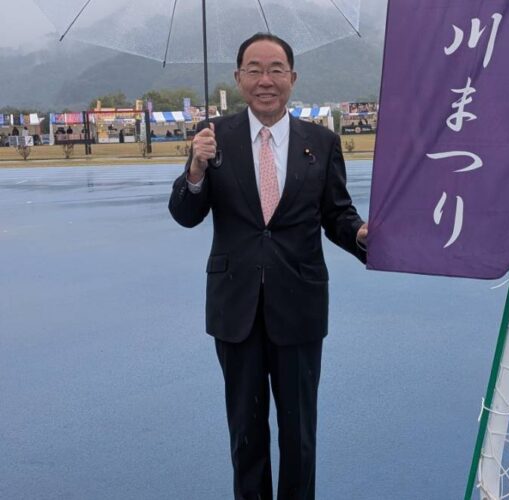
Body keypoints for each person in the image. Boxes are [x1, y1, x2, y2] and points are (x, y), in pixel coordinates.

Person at [168, 33, 368, 500]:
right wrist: (195, 171)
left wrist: (361, 234)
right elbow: (185, 214)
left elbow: (337, 214)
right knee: (246, 432)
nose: (265, 80)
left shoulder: (321, 142)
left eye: (276, 69)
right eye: (254, 69)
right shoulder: (212, 138)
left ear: (292, 78)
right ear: (238, 78)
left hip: (299, 305)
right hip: (235, 307)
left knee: (299, 435)